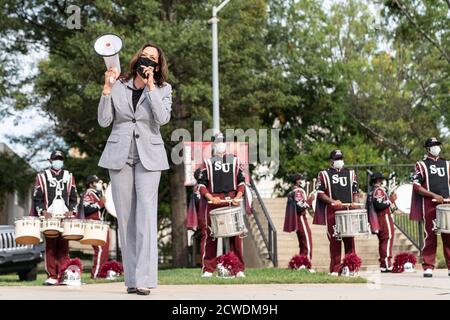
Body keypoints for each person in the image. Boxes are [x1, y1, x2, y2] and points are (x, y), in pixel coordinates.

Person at [97, 43, 172, 295]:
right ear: (137, 58)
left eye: (153, 58)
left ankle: (145, 279)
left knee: (146, 217)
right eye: (145, 56)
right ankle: (131, 279)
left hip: (149, 157)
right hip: (120, 157)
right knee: (127, 219)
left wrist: (151, 88)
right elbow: (104, 121)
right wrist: (106, 90)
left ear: (158, 65)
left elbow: (162, 119)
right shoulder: (119, 84)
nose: (148, 61)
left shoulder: (164, 89)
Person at [196, 132, 247, 278]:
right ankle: (208, 269)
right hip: (214, 200)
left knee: (236, 234)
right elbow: (201, 184)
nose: (220, 144)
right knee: (210, 234)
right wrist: (210, 196)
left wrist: (238, 195)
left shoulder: (235, 161)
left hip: (231, 199)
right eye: (217, 141)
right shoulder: (207, 162)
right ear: (213, 144)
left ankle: (237, 268)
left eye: (222, 141)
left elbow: (242, 181)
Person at [31, 150, 78, 285]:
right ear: (50, 161)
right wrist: (43, 211)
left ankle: (63, 274)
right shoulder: (42, 176)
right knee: (50, 246)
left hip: (64, 217)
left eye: (60, 159)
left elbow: (74, 198)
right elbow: (37, 198)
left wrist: (71, 211)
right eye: (55, 159)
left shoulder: (69, 176)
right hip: (49, 218)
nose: (58, 161)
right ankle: (51, 275)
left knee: (63, 246)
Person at [313, 149, 359, 275]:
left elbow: (355, 191)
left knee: (350, 240)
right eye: (336, 159)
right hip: (333, 212)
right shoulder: (324, 174)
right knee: (335, 241)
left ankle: (351, 268)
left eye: (340, 158)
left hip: (348, 211)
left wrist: (355, 202)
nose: (339, 161)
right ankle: (335, 269)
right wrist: (333, 201)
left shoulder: (351, 173)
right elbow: (320, 193)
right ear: (331, 161)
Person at [410, 137, 450, 277]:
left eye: (437, 145)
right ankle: (428, 266)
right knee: (430, 235)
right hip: (429, 203)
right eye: (433, 146)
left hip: (446, 203)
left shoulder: (447, 163)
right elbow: (416, 186)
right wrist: (434, 194)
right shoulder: (421, 164)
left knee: (449, 235)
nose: (436, 147)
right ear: (427, 148)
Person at [82, 174, 110, 279]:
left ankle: (102, 272)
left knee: (104, 249)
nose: (99, 183)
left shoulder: (98, 193)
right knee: (99, 249)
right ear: (91, 184)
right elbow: (86, 209)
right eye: (96, 182)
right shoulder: (89, 193)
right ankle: (96, 274)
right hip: (93, 224)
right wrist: (100, 203)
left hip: (100, 223)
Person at [368, 172, 397, 272]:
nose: (382, 181)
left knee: (383, 241)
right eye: (380, 179)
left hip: (379, 218)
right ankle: (387, 263)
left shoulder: (373, 191)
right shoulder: (379, 190)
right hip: (383, 218)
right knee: (387, 239)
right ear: (378, 180)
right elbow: (379, 205)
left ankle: (383, 264)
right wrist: (390, 200)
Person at [283, 173, 314, 266]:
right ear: (297, 181)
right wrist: (310, 200)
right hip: (300, 218)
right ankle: (306, 264)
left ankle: (300, 264)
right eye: (301, 179)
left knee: (302, 243)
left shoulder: (292, 191)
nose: (302, 181)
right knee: (307, 242)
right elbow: (300, 207)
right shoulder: (298, 191)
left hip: (297, 219)